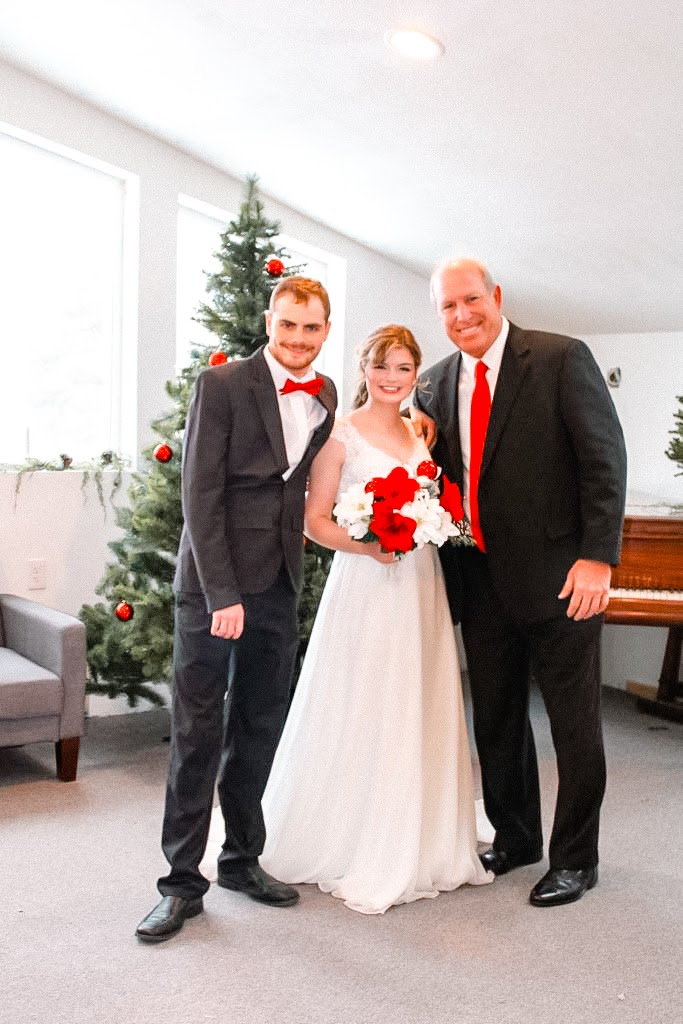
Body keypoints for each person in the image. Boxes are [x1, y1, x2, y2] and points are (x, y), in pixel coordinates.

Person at [259, 324, 493, 915]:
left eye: (404, 369)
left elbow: (435, 499)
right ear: (365, 369)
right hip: (367, 581)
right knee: (365, 697)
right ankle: (355, 835)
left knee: (418, 695)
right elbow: (315, 521)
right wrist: (368, 546)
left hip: (419, 583)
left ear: (416, 376)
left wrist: (428, 524)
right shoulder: (340, 434)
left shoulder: (419, 431)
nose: (392, 378)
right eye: (382, 366)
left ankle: (424, 832)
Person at [414, 259, 627, 907]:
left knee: (572, 725)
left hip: (564, 579)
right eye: (448, 306)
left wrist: (598, 558)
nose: (462, 315)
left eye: (470, 299)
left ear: (495, 296)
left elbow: (603, 461)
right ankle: (516, 838)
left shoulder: (560, 358)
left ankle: (576, 860)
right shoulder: (433, 382)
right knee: (497, 719)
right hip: (478, 579)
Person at [136, 277, 337, 942]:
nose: (298, 339)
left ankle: (241, 860)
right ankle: (179, 885)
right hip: (214, 586)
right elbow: (200, 493)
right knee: (197, 733)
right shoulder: (220, 385)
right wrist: (222, 594)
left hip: (278, 582)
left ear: (325, 330)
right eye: (288, 325)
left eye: (311, 328)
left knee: (258, 727)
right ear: (269, 321)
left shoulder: (326, 394)